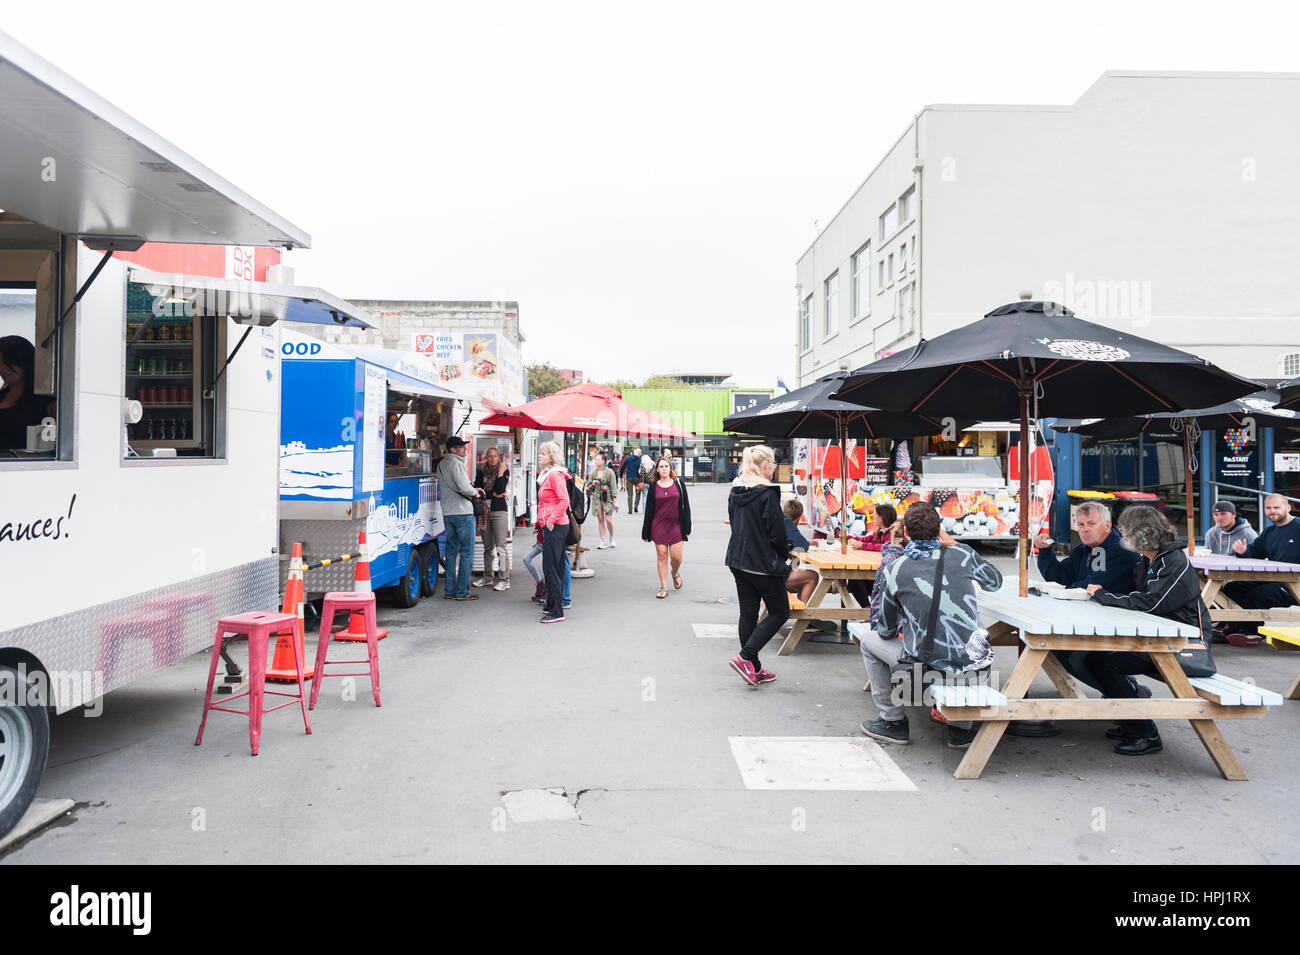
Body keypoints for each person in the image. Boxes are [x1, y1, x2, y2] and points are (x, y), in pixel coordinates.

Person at [860, 502, 1004, 749]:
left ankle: (892, 721)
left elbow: (885, 629)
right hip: (977, 669)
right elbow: (994, 582)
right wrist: (955, 543)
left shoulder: (896, 567)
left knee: (867, 641)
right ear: (941, 531)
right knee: (968, 649)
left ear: (905, 533)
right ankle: (960, 732)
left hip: (924, 671)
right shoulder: (963, 554)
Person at [1082, 506, 1217, 755]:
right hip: (1158, 639)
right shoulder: (1150, 559)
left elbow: (1151, 603)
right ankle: (1130, 716)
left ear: (1142, 534)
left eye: (1126, 531)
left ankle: (1144, 732)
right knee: (1096, 658)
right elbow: (1144, 599)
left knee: (1104, 663)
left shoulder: (1173, 561)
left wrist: (1104, 596)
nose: (1123, 537)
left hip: (1184, 645)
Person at [724, 445, 791, 686]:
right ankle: (745, 657)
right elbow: (776, 532)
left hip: (738, 559)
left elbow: (733, 521)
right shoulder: (767, 493)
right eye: (773, 463)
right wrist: (785, 553)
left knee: (748, 614)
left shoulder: (737, 490)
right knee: (780, 611)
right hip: (762, 562)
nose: (774, 467)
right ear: (765, 465)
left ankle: (754, 667)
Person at [1221, 493, 1300, 642]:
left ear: (1288, 508)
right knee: (1232, 588)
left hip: (1294, 583)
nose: (1272, 511)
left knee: (1257, 595)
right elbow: (1256, 552)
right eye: (1268, 508)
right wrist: (1244, 551)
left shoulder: (1298, 527)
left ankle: (1252, 632)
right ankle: (1238, 630)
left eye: (1277, 507)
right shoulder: (1269, 532)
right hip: (1275, 578)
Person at [1034, 501, 1140, 590]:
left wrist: (1068, 588)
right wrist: (1045, 551)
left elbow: (1091, 587)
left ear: (1107, 525)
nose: (1085, 529)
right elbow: (1058, 576)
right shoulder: (1082, 550)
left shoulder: (1121, 550)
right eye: (1081, 524)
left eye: (1091, 524)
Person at [437, 436, 484, 600]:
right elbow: (464, 487)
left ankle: (449, 590)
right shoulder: (456, 463)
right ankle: (462, 592)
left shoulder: (442, 464)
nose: (464, 449)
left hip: (447, 512)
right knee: (466, 553)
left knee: (450, 552)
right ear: (453, 450)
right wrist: (475, 492)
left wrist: (471, 488)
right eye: (461, 447)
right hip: (462, 513)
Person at [642, 456, 692, 598]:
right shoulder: (653, 487)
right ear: (657, 470)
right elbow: (649, 511)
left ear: (670, 468)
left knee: (676, 557)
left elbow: (686, 506)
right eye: (661, 467)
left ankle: (675, 573)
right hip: (658, 526)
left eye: (666, 466)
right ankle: (664, 587)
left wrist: (687, 527)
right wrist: (646, 532)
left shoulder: (679, 484)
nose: (664, 469)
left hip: (676, 525)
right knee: (662, 555)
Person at [536, 441, 570, 624]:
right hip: (552, 525)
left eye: (543, 453)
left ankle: (557, 611)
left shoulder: (554, 476)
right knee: (552, 567)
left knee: (552, 568)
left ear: (551, 457)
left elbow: (564, 500)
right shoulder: (547, 475)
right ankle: (552, 604)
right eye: (540, 453)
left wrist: (550, 520)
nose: (539, 456)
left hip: (555, 526)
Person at [472, 446, 512, 591]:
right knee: (487, 547)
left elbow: (500, 490)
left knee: (501, 547)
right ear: (486, 458)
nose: (493, 459)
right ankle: (488, 576)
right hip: (484, 512)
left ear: (499, 457)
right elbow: (477, 491)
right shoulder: (480, 471)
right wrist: (491, 493)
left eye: (495, 456)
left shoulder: (504, 470)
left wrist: (500, 474)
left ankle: (504, 579)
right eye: (490, 456)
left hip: (499, 512)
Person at [0, 336, 39, 451]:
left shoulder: (42, 400)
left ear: (24, 360)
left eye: (8, 362)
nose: (3, 369)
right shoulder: (2, 394)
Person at [782, 500, 819, 605]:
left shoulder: (777, 520)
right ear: (798, 518)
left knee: (801, 577)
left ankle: (799, 610)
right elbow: (803, 546)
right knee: (812, 576)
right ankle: (803, 616)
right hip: (772, 576)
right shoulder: (787, 522)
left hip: (760, 571)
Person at [587, 451, 619, 549]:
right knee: (600, 520)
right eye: (596, 459)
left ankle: (612, 537)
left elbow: (614, 486)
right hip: (597, 498)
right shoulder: (593, 472)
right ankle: (602, 541)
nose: (596, 461)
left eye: (598, 459)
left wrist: (615, 500)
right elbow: (588, 486)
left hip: (607, 498)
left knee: (608, 520)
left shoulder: (609, 472)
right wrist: (593, 484)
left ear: (603, 461)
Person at [619, 447, 643, 513]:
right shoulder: (640, 460)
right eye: (640, 453)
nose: (641, 454)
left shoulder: (628, 458)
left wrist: (621, 475)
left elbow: (623, 467)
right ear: (638, 453)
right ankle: (636, 505)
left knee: (630, 494)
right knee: (638, 492)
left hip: (629, 477)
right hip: (637, 478)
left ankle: (630, 510)